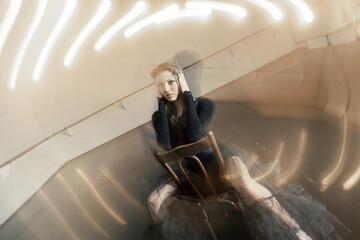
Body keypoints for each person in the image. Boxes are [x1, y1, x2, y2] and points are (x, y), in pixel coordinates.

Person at [146, 62, 350, 240]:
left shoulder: (204, 105)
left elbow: (193, 133)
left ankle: (296, 229)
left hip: (218, 161)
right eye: (160, 85)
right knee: (153, 201)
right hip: (190, 171)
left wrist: (187, 94)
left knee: (246, 184)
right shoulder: (159, 117)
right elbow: (165, 144)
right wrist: (161, 106)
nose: (166, 88)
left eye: (171, 82)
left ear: (180, 81)